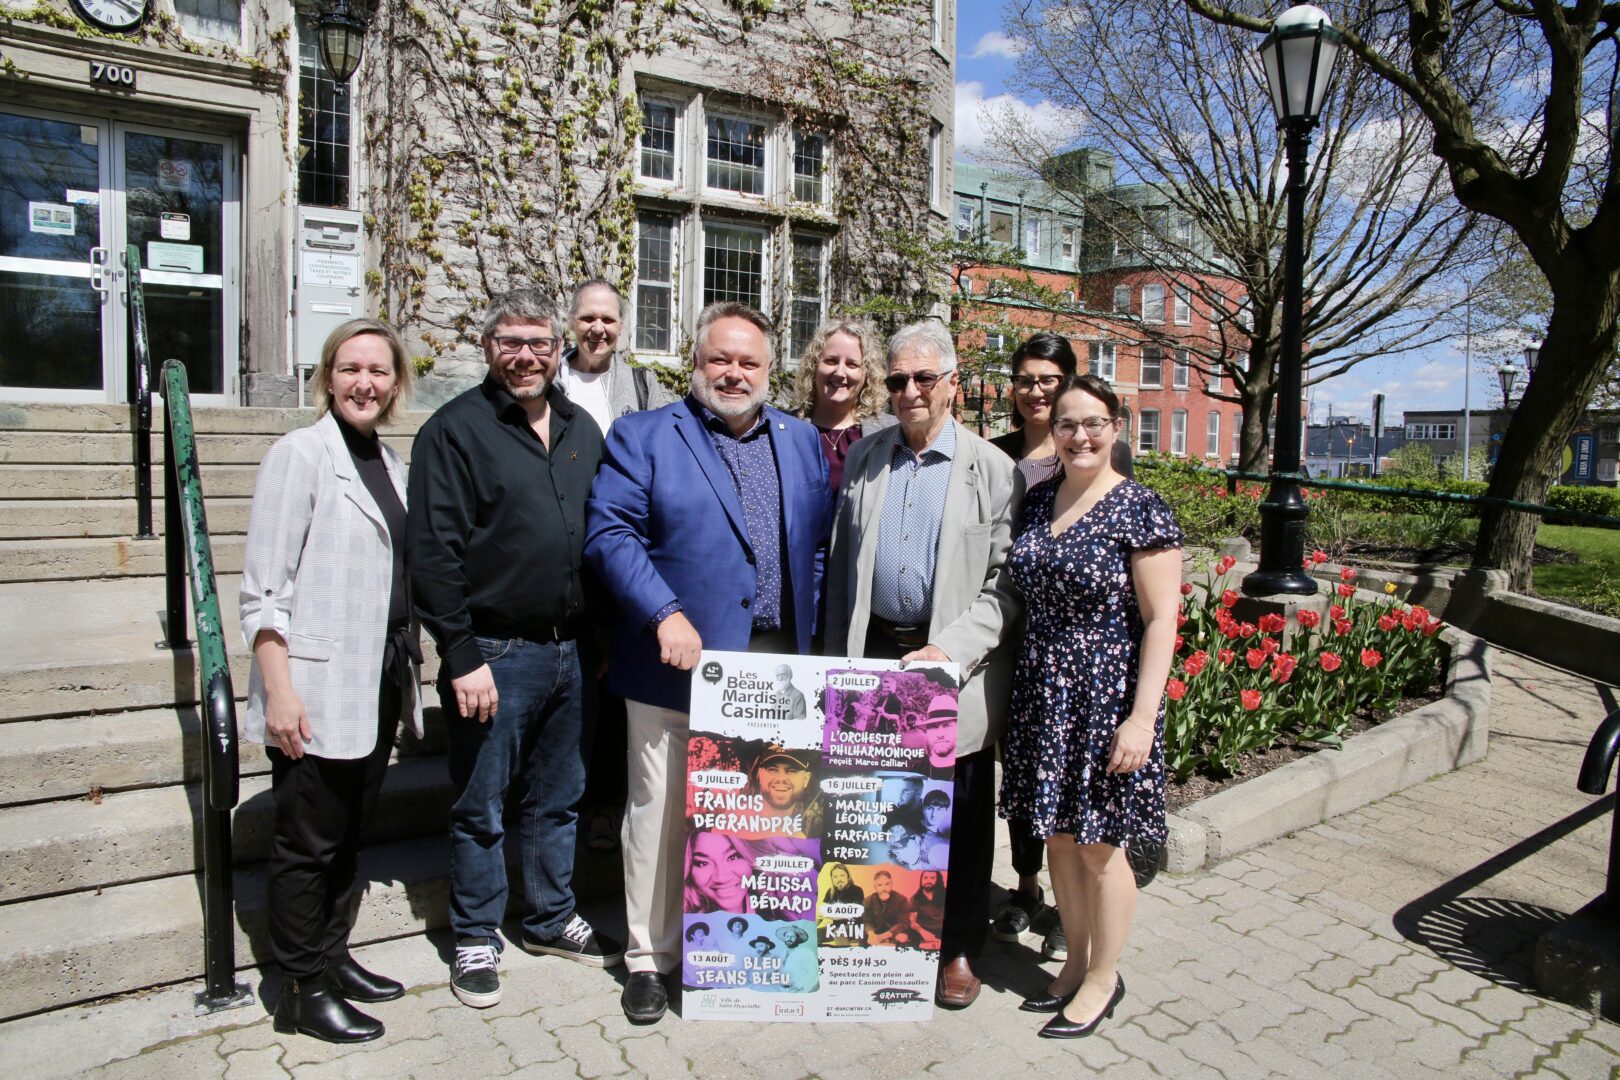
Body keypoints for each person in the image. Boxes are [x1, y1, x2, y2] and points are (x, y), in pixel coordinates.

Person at [585, 301, 834, 1023]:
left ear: (770, 370)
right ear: (695, 362)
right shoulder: (643, 436)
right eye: (719, 359)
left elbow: (814, 548)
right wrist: (664, 612)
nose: (733, 373)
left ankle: (736, 952)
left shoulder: (800, 440)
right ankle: (649, 959)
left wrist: (809, 639)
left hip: (773, 669)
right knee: (660, 817)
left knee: (759, 819)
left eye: (748, 362)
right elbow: (610, 534)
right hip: (674, 662)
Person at [407, 288, 623, 1011]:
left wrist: (599, 635)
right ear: (488, 347)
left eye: (538, 342)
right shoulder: (453, 432)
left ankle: (549, 915)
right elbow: (433, 554)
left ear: (558, 347)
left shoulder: (580, 430)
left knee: (560, 798)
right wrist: (460, 654)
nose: (526, 356)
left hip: (573, 654)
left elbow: (601, 538)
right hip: (493, 653)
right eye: (511, 342)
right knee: (482, 803)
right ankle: (474, 931)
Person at [824, 319, 1022, 1008]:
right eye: (898, 379)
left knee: (959, 813)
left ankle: (959, 945)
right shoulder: (866, 457)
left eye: (923, 379)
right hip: (873, 650)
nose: (908, 391)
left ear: (953, 387)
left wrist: (950, 651)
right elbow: (842, 576)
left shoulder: (994, 470)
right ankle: (881, 938)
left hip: (949, 665)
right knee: (874, 806)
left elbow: (1006, 587)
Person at [240, 318, 421, 1044]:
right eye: (350, 369)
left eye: (378, 371)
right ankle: (299, 988)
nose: (364, 384)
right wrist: (279, 689)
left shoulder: (389, 463)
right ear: (327, 376)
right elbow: (262, 592)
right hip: (313, 688)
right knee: (308, 843)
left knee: (349, 837)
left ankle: (330, 955)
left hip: (375, 678)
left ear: (397, 383)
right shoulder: (301, 455)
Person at [999, 374, 1182, 1038]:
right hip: (1044, 691)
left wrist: (1141, 717)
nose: (1080, 435)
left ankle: (1106, 977)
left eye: (1094, 423)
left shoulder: (1140, 507)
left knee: (1102, 846)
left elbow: (1163, 619)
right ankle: (1075, 961)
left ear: (1117, 427)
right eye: (1068, 424)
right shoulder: (1040, 500)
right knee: (1058, 838)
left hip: (1106, 694)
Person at [988, 334, 1130, 963]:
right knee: (1022, 777)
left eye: (1049, 379)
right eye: (1025, 378)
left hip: (1080, 659)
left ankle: (1081, 930)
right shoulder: (997, 458)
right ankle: (1026, 884)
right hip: (1013, 643)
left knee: (1076, 792)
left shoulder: (1097, 460)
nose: (1036, 391)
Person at [557, 280, 677, 853]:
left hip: (622, 548)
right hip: (564, 548)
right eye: (588, 318)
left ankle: (606, 806)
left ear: (621, 327)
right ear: (571, 322)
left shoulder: (642, 384)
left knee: (612, 682)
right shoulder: (550, 382)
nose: (597, 329)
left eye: (608, 319)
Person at [794, 318, 896, 494]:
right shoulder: (788, 429)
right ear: (814, 366)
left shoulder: (890, 432)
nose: (840, 373)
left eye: (852, 364)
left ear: (867, 374)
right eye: (831, 361)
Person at [747, 746, 821, 836]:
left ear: (806, 779)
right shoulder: (736, 822)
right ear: (760, 775)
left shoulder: (804, 835)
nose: (781, 778)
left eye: (791, 771)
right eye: (772, 770)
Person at [862, 871, 915, 947]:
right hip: (876, 933)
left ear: (891, 884)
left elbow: (903, 923)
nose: (884, 888)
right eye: (880, 885)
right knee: (863, 938)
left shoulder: (902, 900)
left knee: (902, 938)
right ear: (875, 887)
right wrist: (871, 934)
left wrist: (884, 936)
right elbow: (867, 921)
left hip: (896, 933)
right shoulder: (868, 901)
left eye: (887, 884)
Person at [775, 925, 820, 993]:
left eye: (792, 936)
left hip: (797, 991)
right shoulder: (782, 954)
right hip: (781, 990)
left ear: (798, 939)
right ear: (784, 938)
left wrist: (798, 987)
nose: (789, 938)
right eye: (787, 936)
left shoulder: (806, 952)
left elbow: (814, 972)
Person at [909, 870, 945, 949]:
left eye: (932, 878)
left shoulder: (944, 895)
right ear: (921, 880)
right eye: (925, 878)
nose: (928, 881)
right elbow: (912, 922)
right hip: (922, 931)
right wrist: (923, 932)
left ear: (937, 880)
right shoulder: (915, 898)